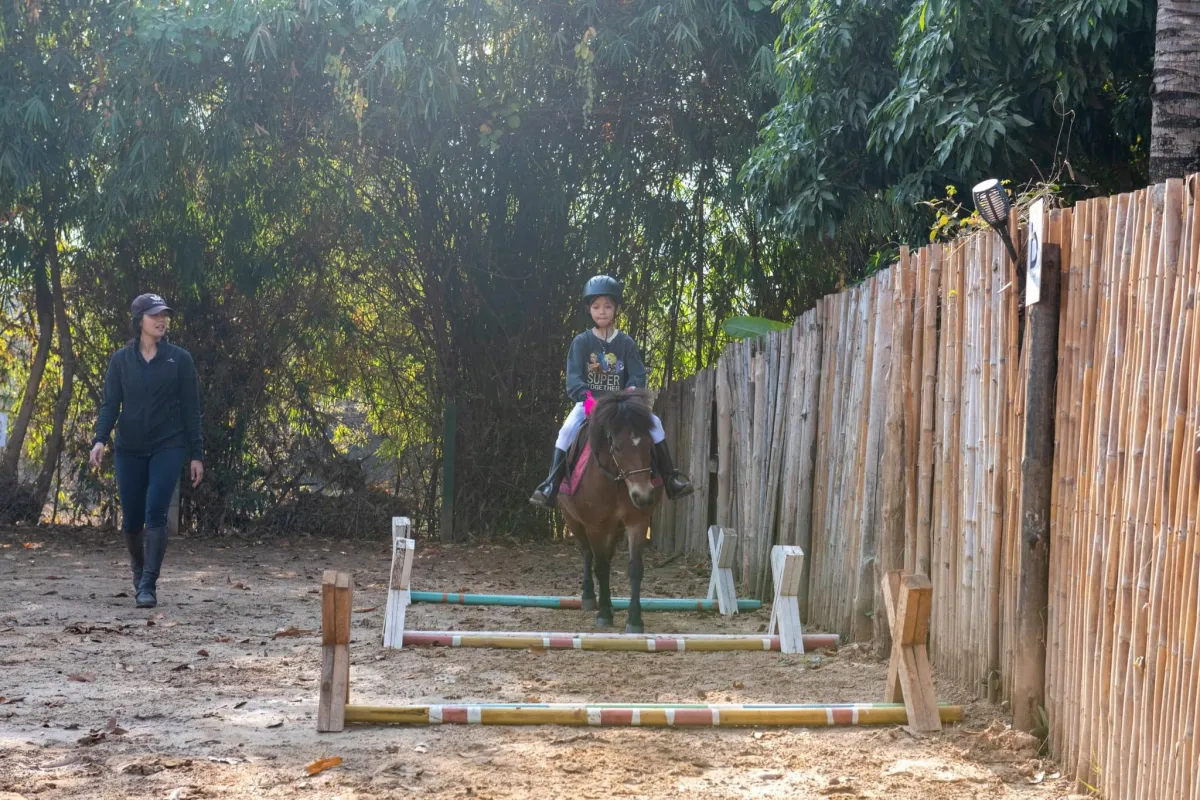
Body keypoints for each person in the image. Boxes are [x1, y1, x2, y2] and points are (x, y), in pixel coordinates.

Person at [529, 275, 692, 507]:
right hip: (589, 403)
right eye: (596, 307)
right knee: (565, 431)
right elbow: (574, 379)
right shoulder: (581, 342)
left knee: (655, 423)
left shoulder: (626, 343)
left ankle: (670, 479)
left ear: (616, 309)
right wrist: (587, 399)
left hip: (621, 406)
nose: (602, 311)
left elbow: (637, 375)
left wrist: (630, 396)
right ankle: (551, 485)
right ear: (589, 309)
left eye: (607, 306)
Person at [89, 293, 204, 609]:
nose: (161, 320)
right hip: (129, 449)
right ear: (139, 320)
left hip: (168, 446)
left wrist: (196, 454)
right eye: (155, 315)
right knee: (131, 520)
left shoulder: (180, 359)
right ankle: (139, 571)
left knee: (156, 512)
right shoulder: (121, 361)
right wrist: (99, 439)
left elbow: (191, 410)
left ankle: (148, 584)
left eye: (164, 314)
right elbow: (110, 404)